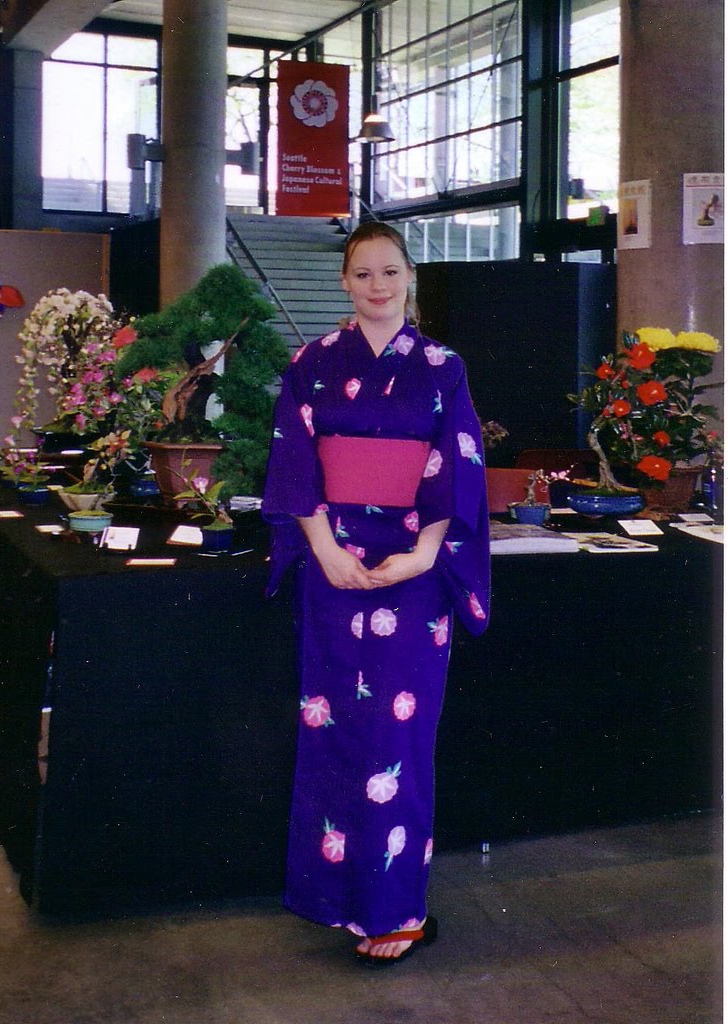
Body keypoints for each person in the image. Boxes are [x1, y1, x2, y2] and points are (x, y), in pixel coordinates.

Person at [262, 221, 490, 966]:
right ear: (344, 282)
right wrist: (322, 548)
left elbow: (455, 463)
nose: (377, 286)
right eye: (362, 274)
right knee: (330, 735)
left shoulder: (441, 365)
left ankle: (397, 909)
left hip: (413, 578)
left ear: (409, 276)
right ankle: (330, 899)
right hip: (332, 569)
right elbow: (294, 459)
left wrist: (425, 553)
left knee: (398, 741)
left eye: (389, 271)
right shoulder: (311, 363)